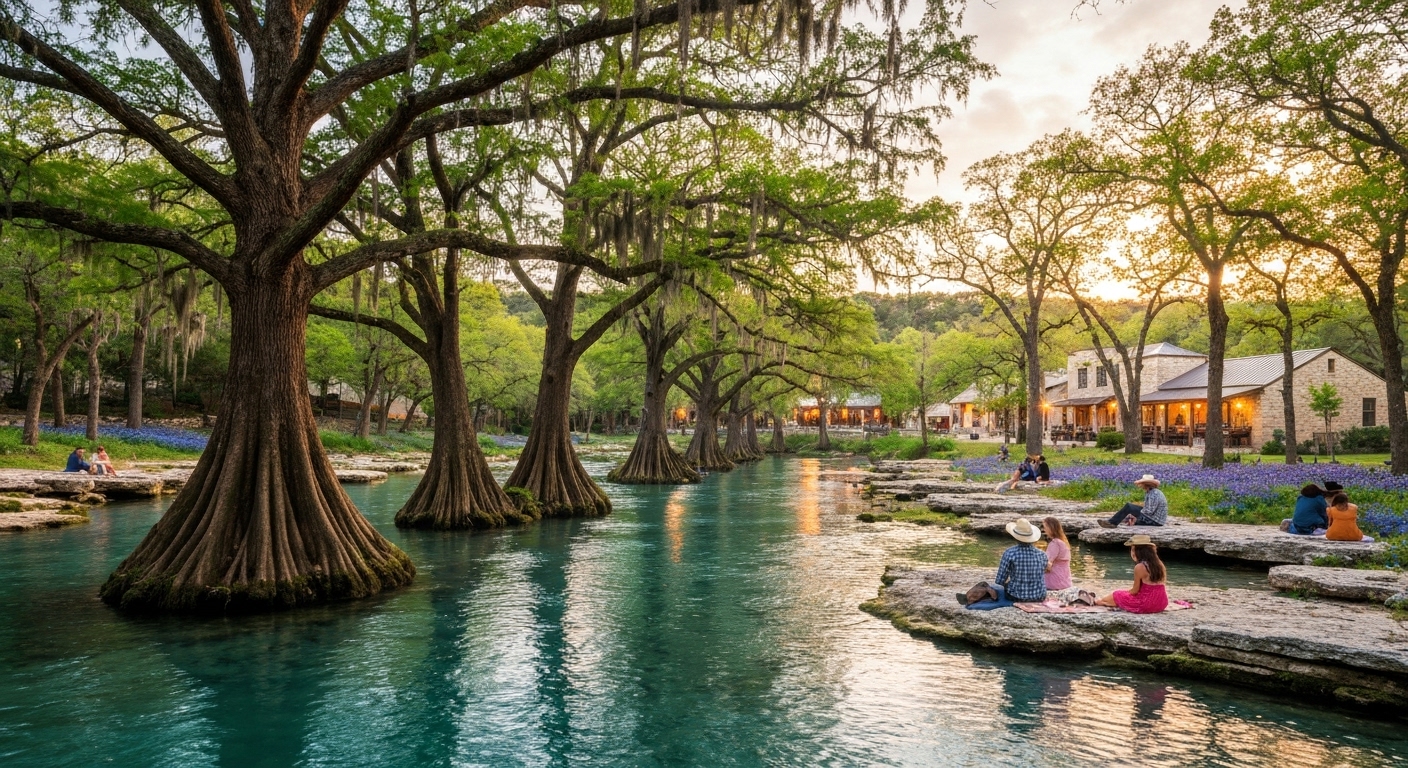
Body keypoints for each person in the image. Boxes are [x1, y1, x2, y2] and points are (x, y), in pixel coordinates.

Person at [1096, 534, 1169, 613]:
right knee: (1119, 595)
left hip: (1146, 604)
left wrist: (1125, 593)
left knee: (1117, 594)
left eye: (1132, 549)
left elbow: (1135, 591)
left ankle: (1100, 602)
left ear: (1136, 552)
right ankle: (1103, 601)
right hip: (1162, 603)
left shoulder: (1140, 567)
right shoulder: (1159, 564)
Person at [1099, 474, 1168, 527]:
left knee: (1129, 507)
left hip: (1154, 520)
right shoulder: (1151, 492)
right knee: (1128, 517)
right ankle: (1113, 521)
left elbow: (1149, 511)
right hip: (1154, 519)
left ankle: (1112, 523)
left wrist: (1135, 512)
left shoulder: (1154, 493)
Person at [1042, 517, 1072, 592]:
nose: (1044, 530)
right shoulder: (1064, 542)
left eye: (1045, 527)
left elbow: (1047, 565)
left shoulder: (1055, 543)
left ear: (1050, 528)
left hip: (1054, 583)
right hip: (1066, 581)